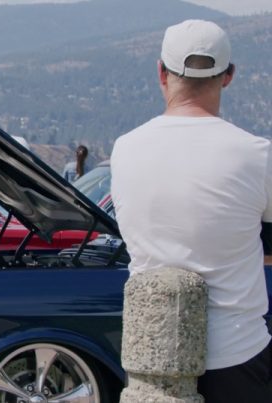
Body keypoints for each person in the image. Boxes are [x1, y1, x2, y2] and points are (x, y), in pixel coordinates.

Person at [110, 20, 272, 402]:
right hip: (237, 354)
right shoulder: (257, 155)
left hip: (152, 353)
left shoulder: (125, 149)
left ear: (161, 73)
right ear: (228, 76)